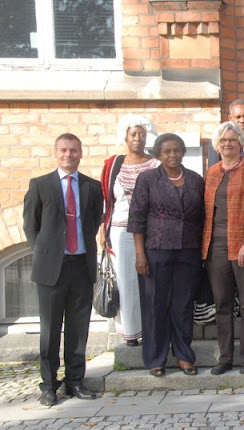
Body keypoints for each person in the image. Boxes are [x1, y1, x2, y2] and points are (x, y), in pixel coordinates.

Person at [23, 133, 103, 406]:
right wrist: (47, 253)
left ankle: (75, 381)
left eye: (74, 150)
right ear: (56, 153)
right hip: (51, 269)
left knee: (78, 329)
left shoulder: (92, 187)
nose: (69, 155)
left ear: (81, 153)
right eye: (64, 150)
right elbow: (31, 226)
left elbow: (93, 221)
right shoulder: (40, 185)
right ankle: (48, 386)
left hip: (81, 265)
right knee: (50, 331)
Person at [128, 133, 204, 377]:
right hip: (156, 250)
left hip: (188, 250)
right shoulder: (147, 179)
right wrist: (140, 254)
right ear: (159, 155)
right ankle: (156, 358)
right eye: (167, 151)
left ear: (183, 152)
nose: (173, 155)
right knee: (155, 305)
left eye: (177, 150)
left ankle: (184, 356)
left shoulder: (195, 179)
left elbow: (202, 217)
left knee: (183, 304)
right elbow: (137, 217)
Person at [204, 122, 244, 376]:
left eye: (232, 139)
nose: (227, 144)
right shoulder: (211, 173)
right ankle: (225, 358)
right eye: (223, 140)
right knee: (222, 304)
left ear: (241, 142)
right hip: (216, 247)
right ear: (217, 145)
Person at [100, 114, 159, 347]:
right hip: (120, 230)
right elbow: (106, 199)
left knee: (150, 279)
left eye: (142, 134)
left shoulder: (156, 164)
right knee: (126, 281)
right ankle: (131, 332)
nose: (137, 138)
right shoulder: (113, 164)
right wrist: (102, 229)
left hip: (151, 230)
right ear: (125, 137)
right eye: (133, 134)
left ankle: (152, 328)